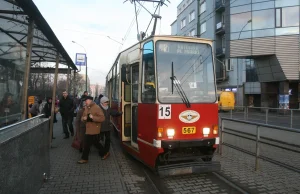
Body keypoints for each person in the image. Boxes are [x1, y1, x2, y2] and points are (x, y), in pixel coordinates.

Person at [77, 96, 105, 164]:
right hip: (88, 129)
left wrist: (93, 117)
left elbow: (102, 118)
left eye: (86, 100)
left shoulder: (97, 107)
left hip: (94, 128)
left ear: (90, 100)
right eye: (84, 101)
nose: (85, 102)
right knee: (95, 143)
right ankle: (105, 152)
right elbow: (82, 117)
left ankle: (84, 158)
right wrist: (83, 118)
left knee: (87, 144)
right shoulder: (86, 108)